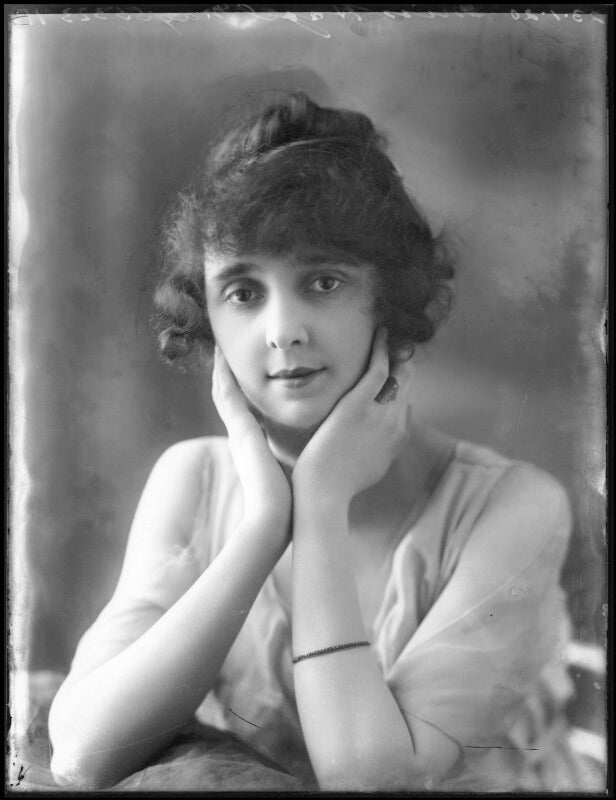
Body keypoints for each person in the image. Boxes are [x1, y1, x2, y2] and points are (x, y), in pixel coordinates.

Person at [48, 92, 583, 792]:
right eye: (243, 292)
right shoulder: (193, 480)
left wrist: (321, 501)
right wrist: (266, 525)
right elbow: (82, 756)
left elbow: (368, 783)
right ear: (208, 321)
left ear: (390, 304)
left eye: (323, 282)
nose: (282, 332)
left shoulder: (514, 507)